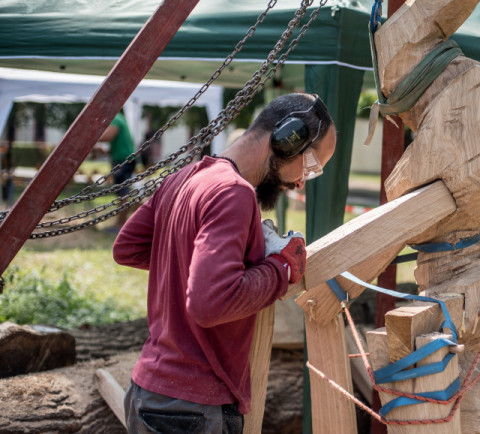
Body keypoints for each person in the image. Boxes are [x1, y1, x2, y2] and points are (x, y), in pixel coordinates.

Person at [112, 93, 335, 433]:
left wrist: (215, 264)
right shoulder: (234, 192)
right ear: (287, 138)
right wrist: (281, 269)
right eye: (311, 166)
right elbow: (209, 303)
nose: (302, 181)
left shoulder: (185, 177)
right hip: (192, 410)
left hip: (148, 393)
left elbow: (128, 248)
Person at [98, 111, 136, 230]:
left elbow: (108, 136)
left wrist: (88, 137)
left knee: (122, 193)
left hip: (124, 160)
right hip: (123, 158)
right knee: (122, 192)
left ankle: (121, 224)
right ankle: (121, 223)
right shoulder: (119, 118)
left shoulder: (115, 119)